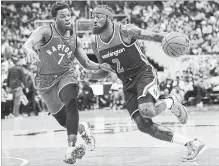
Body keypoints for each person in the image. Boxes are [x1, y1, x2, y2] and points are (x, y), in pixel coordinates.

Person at [90, 4, 205, 162]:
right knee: (144, 125)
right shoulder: (95, 43)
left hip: (143, 74)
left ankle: (171, 101)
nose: (94, 19)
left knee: (147, 110)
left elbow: (156, 36)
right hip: (127, 83)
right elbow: (105, 69)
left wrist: (175, 39)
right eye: (93, 16)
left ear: (109, 19)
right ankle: (191, 144)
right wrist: (89, 73)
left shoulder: (125, 31)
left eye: (98, 16)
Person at [22, 2, 110, 164]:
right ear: (55, 19)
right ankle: (83, 129)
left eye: (68, 15)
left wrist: (100, 65)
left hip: (66, 75)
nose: (67, 18)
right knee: (64, 121)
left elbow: (86, 63)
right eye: (62, 16)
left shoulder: (74, 39)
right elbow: (28, 44)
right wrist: (29, 50)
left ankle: (71, 147)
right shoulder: (46, 31)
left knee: (71, 100)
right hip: (45, 83)